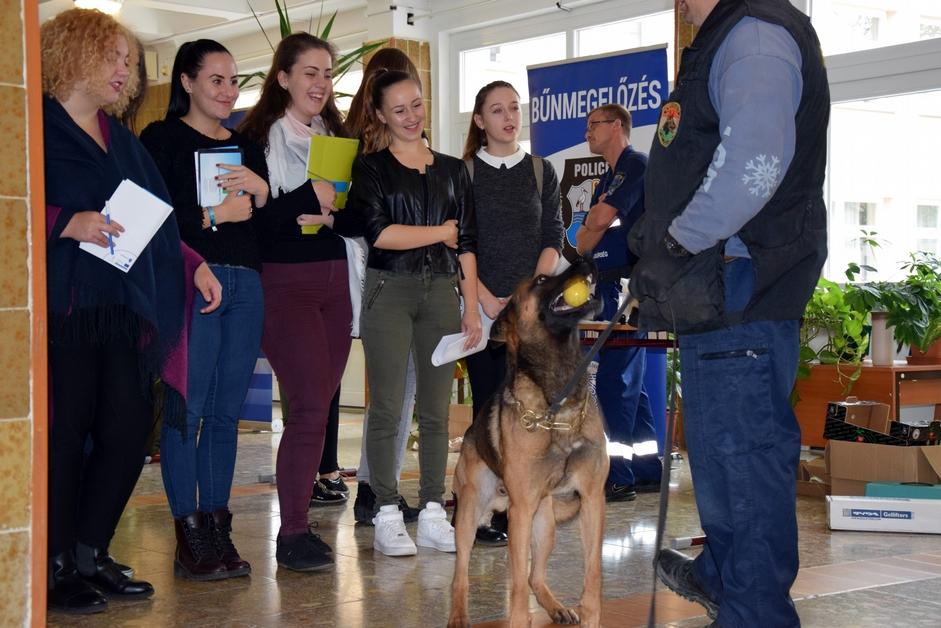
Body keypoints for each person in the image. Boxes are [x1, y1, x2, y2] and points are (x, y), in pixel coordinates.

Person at [628, 1, 829, 626]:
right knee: (720, 450)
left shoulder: (757, 38)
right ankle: (726, 573)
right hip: (718, 285)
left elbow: (754, 166)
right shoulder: (729, 36)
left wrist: (676, 241)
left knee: (742, 456)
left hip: (740, 278)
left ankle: (755, 611)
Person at [41, 8, 222, 614]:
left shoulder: (122, 141)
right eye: (114, 58)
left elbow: (158, 221)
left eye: (129, 62)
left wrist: (192, 261)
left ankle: (91, 551)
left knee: (124, 429)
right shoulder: (33, 128)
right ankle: (55, 561)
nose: (127, 72)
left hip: (121, 308)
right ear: (74, 54)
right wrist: (66, 223)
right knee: (65, 436)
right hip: (62, 309)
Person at [318, 69, 481, 557]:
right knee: (387, 407)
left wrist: (471, 308)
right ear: (382, 115)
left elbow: (468, 243)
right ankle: (387, 510)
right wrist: (442, 233)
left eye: (417, 104)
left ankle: (433, 509)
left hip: (441, 297)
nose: (411, 116)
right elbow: (380, 234)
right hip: (389, 291)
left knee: (434, 411)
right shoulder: (370, 168)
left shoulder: (454, 170)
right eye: (399, 109)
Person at [140, 39, 272, 581]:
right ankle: (187, 531)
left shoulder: (247, 147)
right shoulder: (162, 140)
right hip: (194, 282)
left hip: (246, 285)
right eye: (216, 79)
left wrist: (264, 193)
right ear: (187, 82)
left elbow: (267, 232)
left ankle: (218, 529)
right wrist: (215, 216)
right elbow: (155, 221)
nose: (227, 91)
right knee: (186, 411)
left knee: (223, 415)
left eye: (234, 81)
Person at [237, 33, 353, 573]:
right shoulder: (255, 139)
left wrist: (332, 214)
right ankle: (293, 532)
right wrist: (310, 199)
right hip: (286, 285)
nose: (320, 83)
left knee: (319, 407)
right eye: (309, 72)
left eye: (327, 73)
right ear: (282, 77)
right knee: (308, 408)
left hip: (338, 286)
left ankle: (298, 525)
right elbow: (254, 227)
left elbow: (354, 216)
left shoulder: (338, 136)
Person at [461, 80, 563, 545]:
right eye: (497, 110)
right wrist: (482, 295)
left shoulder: (541, 170)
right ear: (480, 121)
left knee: (527, 409)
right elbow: (458, 242)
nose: (509, 117)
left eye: (515, 108)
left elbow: (552, 235)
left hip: (530, 312)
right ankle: (479, 505)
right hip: (481, 307)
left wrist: (532, 293)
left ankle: (517, 504)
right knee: (487, 409)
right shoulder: (463, 174)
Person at [345, 47, 424, 525]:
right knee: (398, 394)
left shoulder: (353, 143)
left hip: (391, 277)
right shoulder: (373, 153)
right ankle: (377, 492)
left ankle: (376, 490)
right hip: (387, 277)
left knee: (394, 396)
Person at [575, 104, 662, 503]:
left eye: (594, 125)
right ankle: (645, 468)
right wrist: (597, 220)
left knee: (616, 382)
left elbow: (600, 220)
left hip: (628, 287)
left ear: (616, 126)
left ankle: (617, 475)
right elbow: (584, 239)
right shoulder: (605, 178)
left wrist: (599, 219)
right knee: (630, 382)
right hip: (606, 284)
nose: (588, 132)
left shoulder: (635, 165)